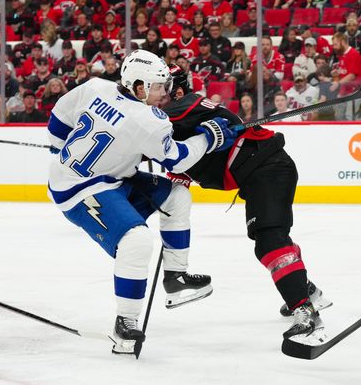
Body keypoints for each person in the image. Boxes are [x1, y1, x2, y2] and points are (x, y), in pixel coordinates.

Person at [46, 49, 236, 354]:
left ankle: (175, 277)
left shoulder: (96, 86)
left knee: (177, 196)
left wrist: (57, 147)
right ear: (138, 87)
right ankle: (126, 324)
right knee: (136, 242)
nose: (165, 92)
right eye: (159, 87)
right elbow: (176, 159)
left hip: (113, 176)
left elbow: (59, 113)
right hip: (78, 189)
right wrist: (208, 138)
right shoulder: (148, 120)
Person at [161, 68, 332, 341]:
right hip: (259, 174)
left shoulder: (185, 105)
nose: (151, 97)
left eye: (159, 89)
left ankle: (305, 311)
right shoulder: (178, 127)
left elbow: (157, 122)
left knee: (269, 241)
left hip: (269, 167)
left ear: (177, 91)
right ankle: (307, 291)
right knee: (271, 240)